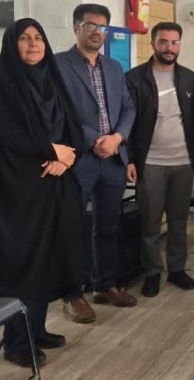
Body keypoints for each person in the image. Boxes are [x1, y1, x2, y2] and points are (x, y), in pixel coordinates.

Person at [0, 19, 86, 368]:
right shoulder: (4, 82)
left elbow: (73, 125)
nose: (33, 44)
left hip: (56, 182)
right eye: (24, 38)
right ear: (12, 45)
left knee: (51, 257)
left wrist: (67, 158)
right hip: (21, 190)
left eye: (38, 38)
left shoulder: (51, 77)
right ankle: (17, 342)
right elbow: (8, 137)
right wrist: (52, 151)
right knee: (26, 262)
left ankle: (36, 328)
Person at [56, 4, 137, 322]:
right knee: (72, 228)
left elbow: (129, 108)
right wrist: (93, 139)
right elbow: (59, 111)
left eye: (102, 27)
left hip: (113, 159)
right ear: (76, 28)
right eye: (90, 25)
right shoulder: (58, 65)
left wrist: (117, 138)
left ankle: (104, 284)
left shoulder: (114, 67)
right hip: (78, 159)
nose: (97, 32)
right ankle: (72, 293)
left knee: (108, 226)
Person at [125, 22, 194, 298]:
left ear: (179, 45)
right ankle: (152, 273)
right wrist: (130, 159)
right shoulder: (134, 78)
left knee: (179, 222)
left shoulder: (190, 79)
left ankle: (177, 269)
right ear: (153, 43)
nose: (169, 48)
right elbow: (127, 122)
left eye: (174, 42)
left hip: (183, 162)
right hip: (150, 163)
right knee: (149, 223)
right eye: (163, 42)